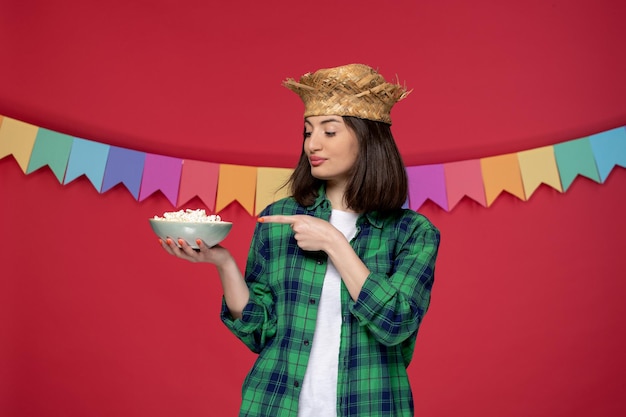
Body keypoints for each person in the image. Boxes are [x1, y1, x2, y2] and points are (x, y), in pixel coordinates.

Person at [160, 63, 440, 417]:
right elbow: (259, 332)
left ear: (368, 139)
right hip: (276, 406)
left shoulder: (413, 233)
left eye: (330, 132)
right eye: (308, 132)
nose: (313, 144)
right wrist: (224, 263)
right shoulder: (280, 219)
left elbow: (396, 323)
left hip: (371, 405)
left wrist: (334, 242)